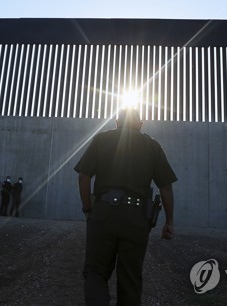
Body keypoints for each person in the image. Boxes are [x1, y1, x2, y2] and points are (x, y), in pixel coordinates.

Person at [74, 108, 177, 305]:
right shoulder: (153, 146)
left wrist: (88, 209)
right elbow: (165, 187)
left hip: (103, 214)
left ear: (116, 122)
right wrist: (170, 222)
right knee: (130, 278)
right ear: (140, 124)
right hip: (137, 218)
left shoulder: (101, 140)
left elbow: (83, 176)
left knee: (96, 272)